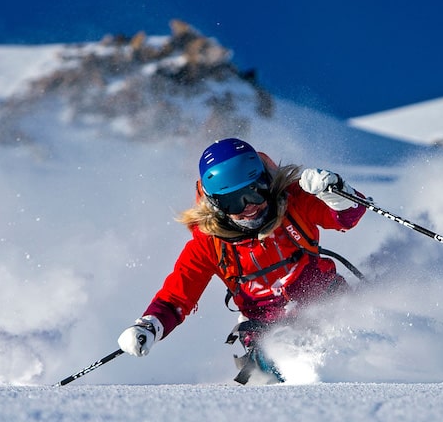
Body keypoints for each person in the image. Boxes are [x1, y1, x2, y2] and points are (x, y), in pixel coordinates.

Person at [116, 137, 368, 384]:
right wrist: (149, 326)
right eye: (233, 201)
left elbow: (347, 216)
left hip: (330, 303)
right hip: (268, 330)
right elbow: (176, 297)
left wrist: (335, 193)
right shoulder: (208, 244)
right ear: (215, 204)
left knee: (357, 342)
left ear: (266, 183)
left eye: (254, 192)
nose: (249, 207)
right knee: (283, 357)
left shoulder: (294, 202)